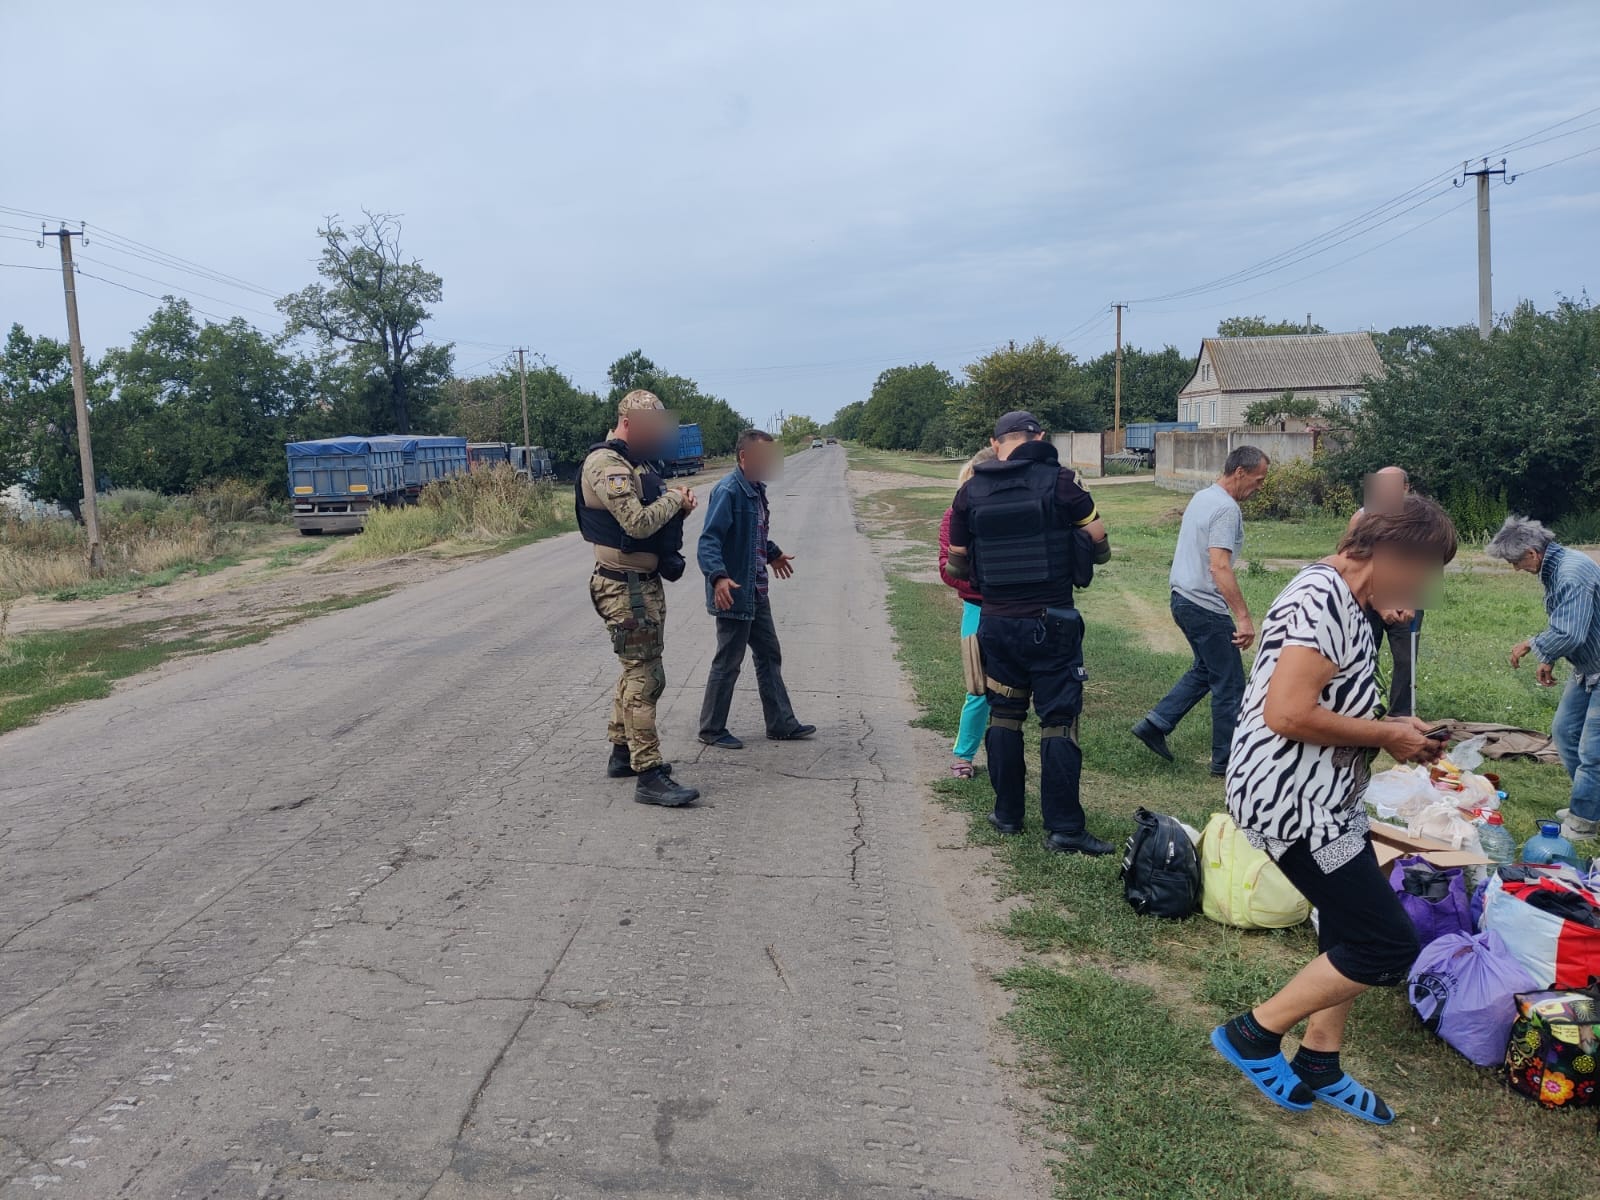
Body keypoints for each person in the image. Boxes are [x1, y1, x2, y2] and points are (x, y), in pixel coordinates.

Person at [1213, 494, 1457, 1125]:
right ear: (1391, 553)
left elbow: (1334, 696)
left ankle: (1319, 1060)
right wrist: (1388, 737)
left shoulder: (1353, 598)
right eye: (1425, 568)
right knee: (1384, 944)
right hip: (1292, 802)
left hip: (1331, 797)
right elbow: (1287, 713)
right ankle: (1254, 1032)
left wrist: (1397, 726)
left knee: (1350, 923)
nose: (1425, 586)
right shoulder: (1318, 599)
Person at [943, 411, 1113, 855]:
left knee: (1003, 715)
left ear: (995, 442)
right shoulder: (1063, 483)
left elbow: (956, 564)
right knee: (1058, 723)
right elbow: (1099, 544)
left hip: (995, 624)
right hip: (1052, 623)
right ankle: (1064, 829)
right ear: (1039, 437)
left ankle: (1007, 815)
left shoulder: (969, 491)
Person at [577, 389, 701, 807]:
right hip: (623, 587)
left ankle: (621, 752)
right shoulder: (606, 465)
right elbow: (636, 521)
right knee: (647, 677)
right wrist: (673, 500)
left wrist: (678, 507)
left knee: (634, 670)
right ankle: (648, 773)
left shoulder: (637, 463)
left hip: (640, 583)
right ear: (629, 422)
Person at [1133, 445, 1269, 777]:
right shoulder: (1226, 509)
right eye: (1259, 479)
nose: (1260, 486)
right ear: (1239, 472)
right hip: (1204, 605)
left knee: (1207, 671)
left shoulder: (1202, 497)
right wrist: (1244, 617)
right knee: (1231, 684)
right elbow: (1220, 567)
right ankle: (1227, 762)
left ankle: (1156, 723)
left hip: (1182, 598)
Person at [696, 429, 816, 748]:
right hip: (735, 591)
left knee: (768, 654)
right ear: (744, 457)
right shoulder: (728, 491)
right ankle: (711, 728)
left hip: (756, 592)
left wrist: (773, 554)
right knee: (729, 660)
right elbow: (709, 541)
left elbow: (755, 534)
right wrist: (718, 577)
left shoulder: (756, 490)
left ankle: (781, 723)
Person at [1487, 515, 1600, 843]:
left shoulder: (1570, 572)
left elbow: (1570, 632)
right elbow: (1569, 623)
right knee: (1564, 732)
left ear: (1533, 553)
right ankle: (1590, 803)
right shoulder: (1556, 567)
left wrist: (1533, 645)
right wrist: (1548, 657)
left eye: (1514, 561)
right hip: (1589, 666)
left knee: (1593, 750)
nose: (1514, 568)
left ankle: (1583, 821)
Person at [939, 447, 997, 778]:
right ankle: (964, 754)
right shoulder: (955, 516)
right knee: (978, 686)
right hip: (978, 608)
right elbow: (948, 571)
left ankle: (1006, 753)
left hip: (1018, 608)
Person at [1347, 466, 1423, 716]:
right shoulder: (1361, 519)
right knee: (1363, 654)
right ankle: (1361, 707)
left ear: (1405, 488)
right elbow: (1351, 565)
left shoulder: (1419, 518)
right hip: (1370, 600)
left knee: (1405, 659)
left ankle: (1400, 714)